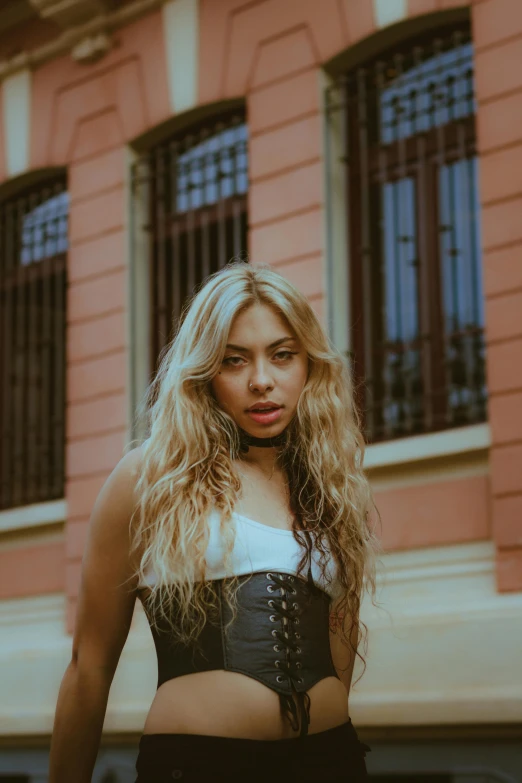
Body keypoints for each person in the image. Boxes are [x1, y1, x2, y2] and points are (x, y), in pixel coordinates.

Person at [49, 262, 381, 783]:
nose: (262, 381)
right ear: (205, 372)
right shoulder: (149, 478)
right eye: (234, 360)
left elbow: (340, 659)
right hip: (203, 765)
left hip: (331, 760)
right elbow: (89, 669)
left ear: (308, 365)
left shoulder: (331, 487)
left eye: (282, 355)